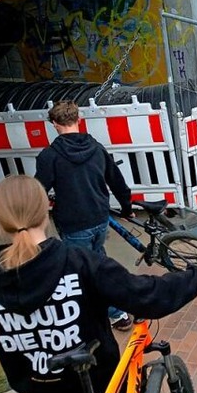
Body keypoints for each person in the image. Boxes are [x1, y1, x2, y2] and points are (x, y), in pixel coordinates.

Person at [0, 174, 197, 393]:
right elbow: (146, 295)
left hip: (39, 392)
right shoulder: (79, 262)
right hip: (97, 386)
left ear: (0, 221)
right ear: (46, 207)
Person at [35, 100, 134, 332]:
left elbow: (38, 189)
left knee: (83, 270)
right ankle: (115, 302)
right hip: (100, 217)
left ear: (54, 124)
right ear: (79, 120)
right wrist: (127, 207)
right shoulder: (97, 148)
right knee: (97, 259)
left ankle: (115, 313)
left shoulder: (50, 156)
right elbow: (116, 180)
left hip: (73, 222)